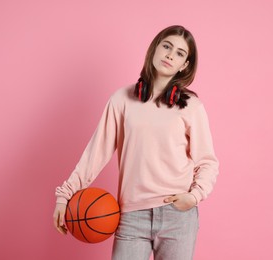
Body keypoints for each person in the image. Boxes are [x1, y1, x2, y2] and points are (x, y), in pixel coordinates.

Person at [53, 25, 219, 260]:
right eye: (167, 46)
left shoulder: (192, 106)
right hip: (132, 217)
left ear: (185, 65)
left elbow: (207, 161)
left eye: (180, 53)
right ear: (155, 49)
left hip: (178, 216)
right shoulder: (121, 100)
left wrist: (194, 196)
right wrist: (65, 195)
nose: (171, 55)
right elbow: (95, 154)